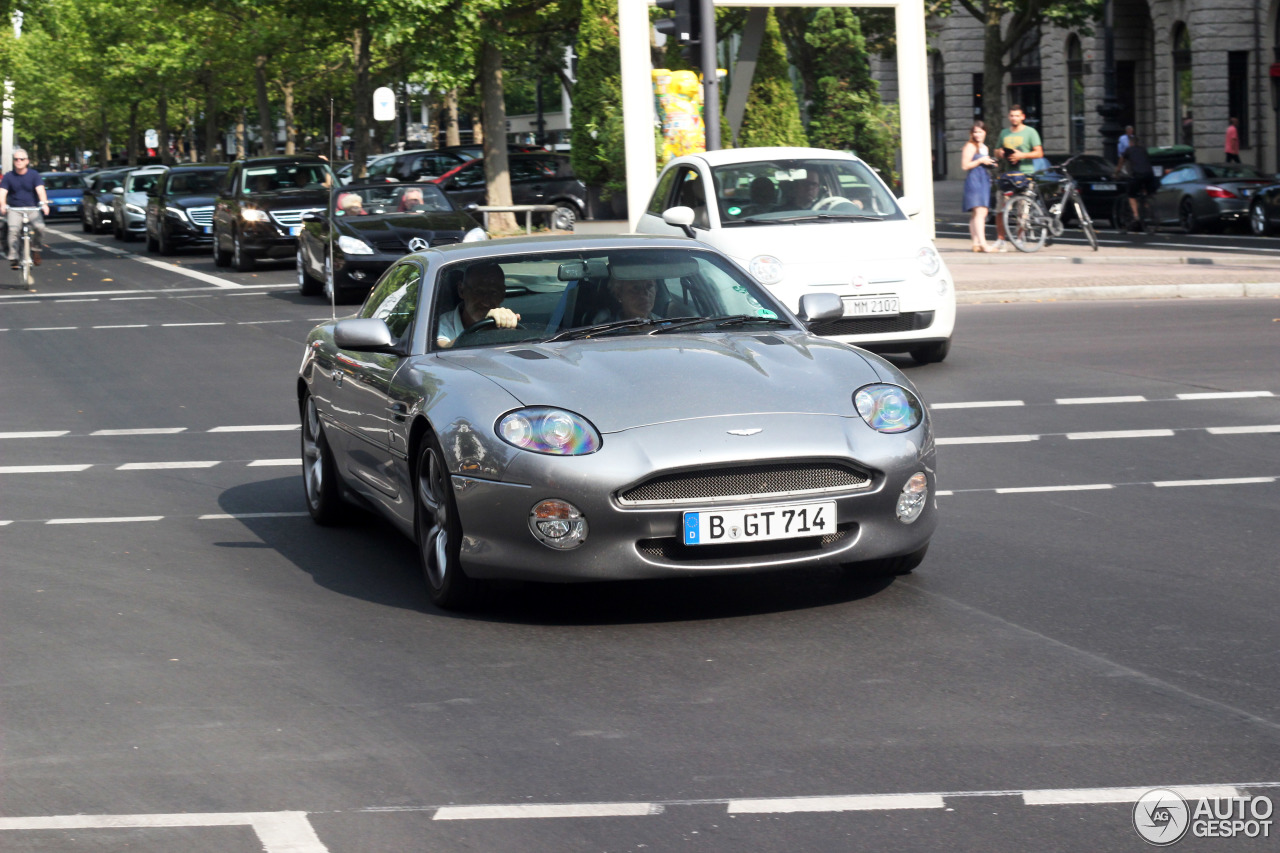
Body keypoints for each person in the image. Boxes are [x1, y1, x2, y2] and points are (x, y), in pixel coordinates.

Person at [993, 105, 1043, 251]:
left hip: (1025, 175)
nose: (1014, 118)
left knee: (1023, 210)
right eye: (1012, 115)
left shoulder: (1030, 132)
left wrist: (1022, 155)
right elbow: (996, 150)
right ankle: (1001, 239)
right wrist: (1001, 153)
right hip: (1008, 175)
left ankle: (1020, 239)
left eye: (1017, 115)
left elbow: (1039, 152)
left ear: (1022, 117)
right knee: (1000, 208)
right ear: (1009, 117)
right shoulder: (1004, 133)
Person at [436, 262, 520, 348]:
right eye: (478, 292)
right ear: (461, 291)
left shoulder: (507, 322)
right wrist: (483, 332)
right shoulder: (439, 325)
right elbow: (442, 349)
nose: (486, 302)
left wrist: (510, 329)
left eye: (494, 293)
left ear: (502, 294)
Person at [0, 148, 49, 269]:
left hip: (32, 208)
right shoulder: (8, 176)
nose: (18, 161)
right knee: (13, 230)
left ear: (27, 161)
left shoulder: (34, 175)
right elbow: (2, 192)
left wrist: (44, 203)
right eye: (16, 159)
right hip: (14, 209)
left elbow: (40, 190)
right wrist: (2, 205)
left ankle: (36, 249)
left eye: (21, 159)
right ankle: (14, 257)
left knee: (40, 227)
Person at [960, 121, 998, 252]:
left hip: (984, 179)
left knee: (978, 213)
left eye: (980, 132)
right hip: (975, 180)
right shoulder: (970, 146)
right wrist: (980, 160)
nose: (977, 134)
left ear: (985, 132)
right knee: (980, 212)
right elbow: (965, 166)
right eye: (975, 132)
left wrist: (990, 163)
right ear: (972, 133)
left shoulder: (984, 148)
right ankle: (983, 244)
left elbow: (982, 163)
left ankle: (975, 243)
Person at [1115, 132, 1158, 232]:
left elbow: (1121, 161)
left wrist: (1116, 173)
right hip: (1149, 174)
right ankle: (1147, 208)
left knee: (1131, 195)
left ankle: (1136, 215)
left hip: (1138, 175)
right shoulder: (1143, 150)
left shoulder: (1129, 150)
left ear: (1131, 143)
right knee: (1145, 191)